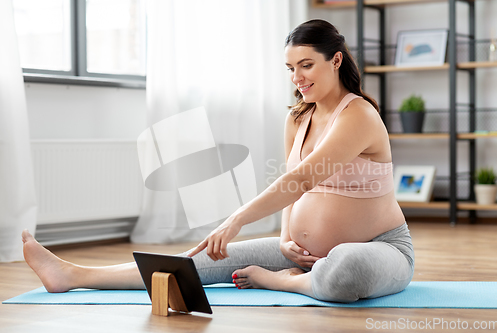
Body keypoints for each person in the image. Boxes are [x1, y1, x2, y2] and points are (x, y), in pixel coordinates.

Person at [22, 19, 413, 302]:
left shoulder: (358, 115)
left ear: (336, 61)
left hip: (377, 248)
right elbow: (293, 186)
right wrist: (284, 239)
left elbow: (302, 180)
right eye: (290, 68)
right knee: (191, 261)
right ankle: (72, 274)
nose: (297, 77)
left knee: (346, 270)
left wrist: (236, 220)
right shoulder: (299, 116)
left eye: (306, 65)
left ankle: (284, 283)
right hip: (299, 253)